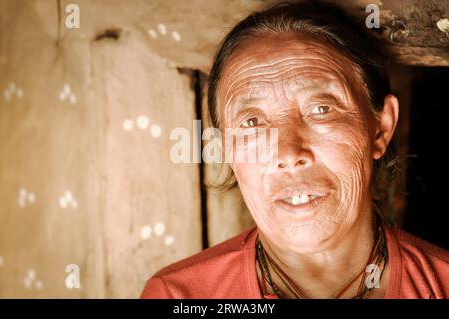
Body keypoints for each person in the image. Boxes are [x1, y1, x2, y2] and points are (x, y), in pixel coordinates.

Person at [140, 2, 449, 299]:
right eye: (252, 122)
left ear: (380, 129)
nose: (288, 154)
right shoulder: (179, 295)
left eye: (321, 108)